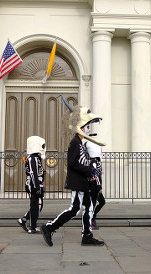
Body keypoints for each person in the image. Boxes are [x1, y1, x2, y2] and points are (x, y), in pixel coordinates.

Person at [41, 105, 106, 247]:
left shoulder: (80, 143)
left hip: (84, 182)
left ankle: (87, 235)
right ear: (81, 127)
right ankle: (50, 227)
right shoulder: (75, 143)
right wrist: (90, 171)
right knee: (74, 209)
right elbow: (73, 163)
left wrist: (92, 172)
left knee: (88, 208)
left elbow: (81, 162)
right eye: (87, 126)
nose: (89, 129)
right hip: (78, 183)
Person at [18, 136, 46, 234]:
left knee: (38, 204)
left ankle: (25, 220)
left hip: (35, 184)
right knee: (36, 205)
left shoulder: (34, 158)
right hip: (33, 184)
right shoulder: (32, 158)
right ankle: (32, 227)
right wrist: (37, 186)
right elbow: (33, 173)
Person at [85, 137, 106, 230]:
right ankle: (90, 221)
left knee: (101, 202)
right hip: (94, 187)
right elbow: (93, 174)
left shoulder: (96, 161)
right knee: (92, 205)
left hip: (97, 187)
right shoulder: (93, 161)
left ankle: (92, 218)